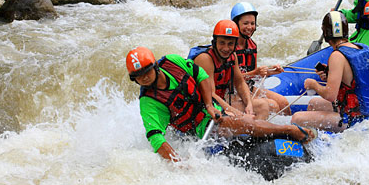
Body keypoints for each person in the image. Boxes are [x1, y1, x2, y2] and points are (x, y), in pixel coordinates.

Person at [127, 46, 317, 162]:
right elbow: (156, 138)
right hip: (199, 130)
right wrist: (178, 162)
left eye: (146, 71)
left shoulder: (171, 62)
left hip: (212, 111)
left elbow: (200, 76)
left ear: (155, 66)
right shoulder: (149, 102)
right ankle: (288, 130)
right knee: (239, 124)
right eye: (137, 76)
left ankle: (287, 130)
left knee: (245, 122)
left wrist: (210, 105)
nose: (143, 78)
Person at [290, 11, 369, 132]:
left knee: (297, 118)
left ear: (326, 34)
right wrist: (330, 75)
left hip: (353, 119)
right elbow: (355, 80)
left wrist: (313, 85)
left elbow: (330, 95)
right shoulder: (362, 48)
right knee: (312, 103)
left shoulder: (337, 56)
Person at [188, 20, 271, 120]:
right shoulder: (205, 59)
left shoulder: (232, 56)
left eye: (230, 44)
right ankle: (253, 129)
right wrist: (240, 115)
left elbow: (240, 83)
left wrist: (249, 104)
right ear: (215, 42)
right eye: (222, 43)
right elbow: (211, 95)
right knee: (245, 119)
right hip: (204, 109)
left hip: (220, 104)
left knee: (262, 105)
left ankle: (255, 134)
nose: (226, 48)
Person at [230, 2, 290, 115]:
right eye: (245, 23)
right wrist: (255, 72)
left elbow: (253, 74)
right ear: (236, 24)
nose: (250, 27)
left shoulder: (252, 45)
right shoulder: (228, 48)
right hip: (233, 92)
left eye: (252, 23)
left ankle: (289, 130)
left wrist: (271, 72)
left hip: (249, 87)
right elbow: (231, 80)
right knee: (273, 106)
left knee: (283, 103)